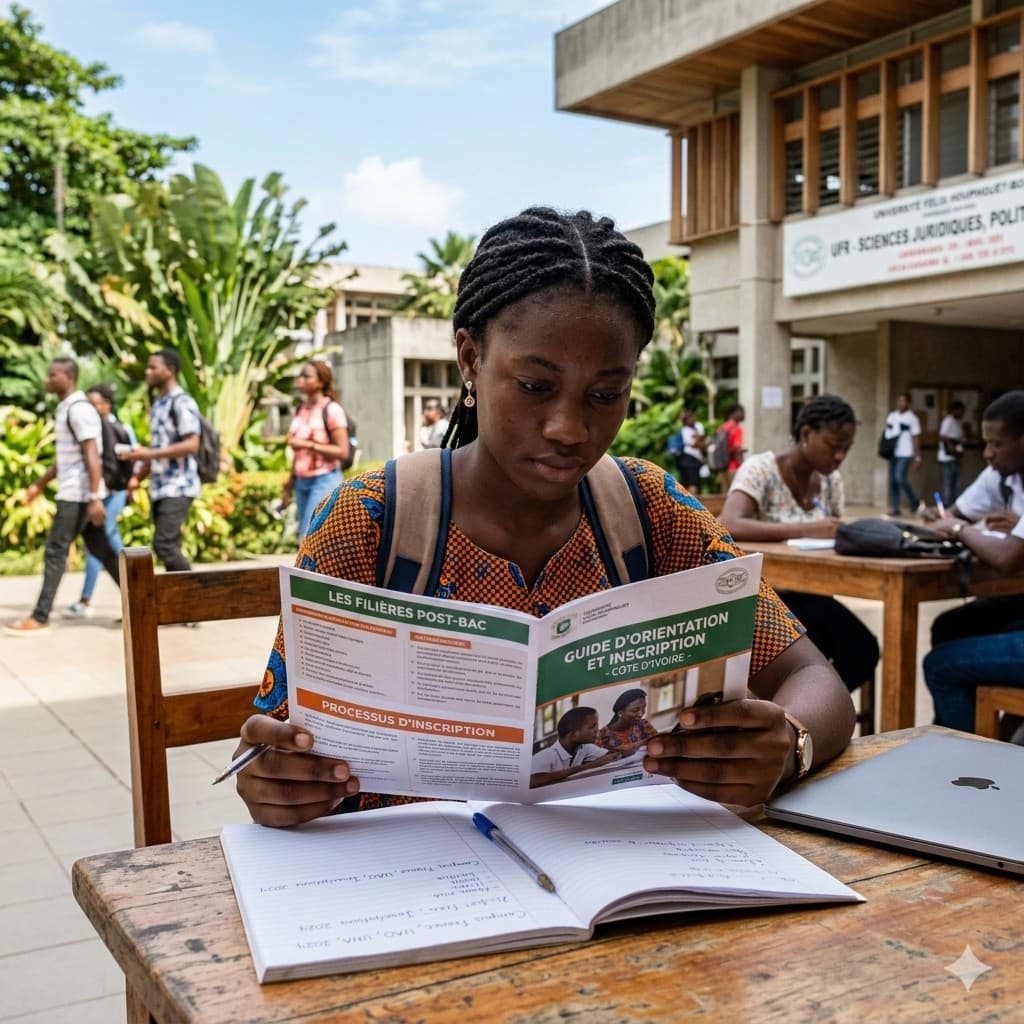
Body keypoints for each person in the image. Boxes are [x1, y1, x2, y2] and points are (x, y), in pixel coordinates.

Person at [234, 206, 855, 827]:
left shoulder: (653, 513)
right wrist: (276, 781)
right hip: (407, 889)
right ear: (471, 358)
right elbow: (269, 748)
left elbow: (814, 680)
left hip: (627, 886)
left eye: (606, 394)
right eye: (535, 386)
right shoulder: (370, 519)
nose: (569, 429)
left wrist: (790, 745)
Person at [718, 394, 880, 694]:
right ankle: (800, 712)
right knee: (809, 650)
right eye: (834, 446)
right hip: (768, 598)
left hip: (815, 593)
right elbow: (729, 523)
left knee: (863, 650)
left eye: (846, 449)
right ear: (806, 434)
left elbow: (834, 532)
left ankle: (809, 709)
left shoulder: (830, 481)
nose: (839, 457)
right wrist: (805, 528)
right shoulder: (762, 470)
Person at [923, 390, 1024, 734]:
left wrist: (958, 529)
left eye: (996, 444)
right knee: (950, 627)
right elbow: (950, 515)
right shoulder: (1005, 475)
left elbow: (1006, 557)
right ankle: (972, 731)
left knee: (939, 666)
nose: (988, 453)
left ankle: (970, 764)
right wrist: (948, 522)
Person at [6, 359, 120, 635]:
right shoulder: (67, 408)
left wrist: (94, 497)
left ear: (68, 377)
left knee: (56, 550)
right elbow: (66, 461)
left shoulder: (79, 410)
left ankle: (40, 616)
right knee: (104, 551)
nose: (47, 379)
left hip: (78, 494)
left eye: (52, 375)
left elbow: (92, 454)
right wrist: (38, 485)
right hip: (78, 491)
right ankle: (143, 600)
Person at [120, 349, 201, 572]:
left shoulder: (181, 402)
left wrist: (148, 454)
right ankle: (181, 604)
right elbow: (156, 447)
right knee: (170, 545)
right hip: (160, 487)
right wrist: (137, 476)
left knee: (163, 544)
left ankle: (194, 595)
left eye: (153, 367)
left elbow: (192, 443)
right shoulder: (159, 404)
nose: (147, 372)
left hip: (179, 485)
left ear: (170, 370)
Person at [61, 383, 138, 619]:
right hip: (98, 494)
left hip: (114, 493)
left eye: (95, 404)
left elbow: (136, 456)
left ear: (107, 404)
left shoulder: (121, 428)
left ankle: (87, 600)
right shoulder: (89, 428)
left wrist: (133, 480)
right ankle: (136, 594)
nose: (91, 409)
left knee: (102, 542)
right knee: (110, 546)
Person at [281, 360, 352, 538]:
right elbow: (298, 454)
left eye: (307, 376)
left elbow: (343, 451)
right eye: (300, 375)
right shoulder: (301, 410)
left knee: (310, 537)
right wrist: (289, 484)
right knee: (305, 538)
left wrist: (308, 445)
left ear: (321, 381)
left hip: (324, 479)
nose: (300, 380)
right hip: (302, 482)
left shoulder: (332, 410)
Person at [529, 707, 622, 788]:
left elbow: (610, 756)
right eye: (592, 727)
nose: (597, 730)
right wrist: (587, 766)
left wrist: (611, 755)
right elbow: (533, 781)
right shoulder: (545, 756)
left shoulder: (584, 748)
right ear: (573, 735)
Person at [882, 392, 923, 517]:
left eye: (903, 401)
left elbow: (915, 438)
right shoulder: (892, 416)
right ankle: (895, 508)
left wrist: (917, 456)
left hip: (905, 452)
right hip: (893, 452)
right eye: (899, 401)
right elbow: (888, 433)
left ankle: (915, 501)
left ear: (908, 403)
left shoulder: (912, 418)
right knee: (893, 481)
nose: (900, 403)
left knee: (900, 478)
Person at [596, 688, 658, 755]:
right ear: (620, 713)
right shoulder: (602, 736)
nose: (641, 714)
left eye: (643, 708)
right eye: (635, 710)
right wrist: (645, 742)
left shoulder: (643, 724)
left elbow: (657, 741)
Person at [937, 399, 967, 508]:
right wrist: (951, 447)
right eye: (961, 411)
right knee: (949, 482)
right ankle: (948, 504)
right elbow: (943, 435)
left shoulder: (957, 422)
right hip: (947, 457)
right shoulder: (948, 421)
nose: (963, 413)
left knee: (956, 483)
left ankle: (954, 504)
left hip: (955, 457)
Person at [666, 407, 705, 491]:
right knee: (692, 482)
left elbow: (701, 441)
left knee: (693, 482)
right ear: (685, 421)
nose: (692, 419)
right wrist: (698, 438)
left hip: (695, 458)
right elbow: (695, 444)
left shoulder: (698, 426)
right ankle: (691, 502)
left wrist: (697, 438)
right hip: (688, 459)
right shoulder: (685, 431)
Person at [718, 404, 746, 487]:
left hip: (722, 466)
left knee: (724, 496)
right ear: (734, 413)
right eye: (741, 412)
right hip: (733, 467)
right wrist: (742, 466)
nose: (744, 415)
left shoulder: (723, 427)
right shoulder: (737, 428)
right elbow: (736, 448)